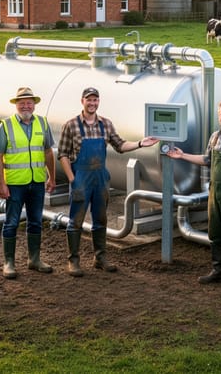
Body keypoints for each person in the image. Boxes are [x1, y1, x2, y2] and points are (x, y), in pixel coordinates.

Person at [58, 86, 158, 277]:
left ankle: (100, 258)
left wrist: (139, 143)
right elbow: (62, 154)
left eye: (95, 100)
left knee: (101, 219)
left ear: (98, 102)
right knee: (76, 220)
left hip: (100, 178)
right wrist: (72, 179)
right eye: (89, 99)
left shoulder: (106, 124)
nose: (92, 103)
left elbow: (120, 145)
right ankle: (73, 260)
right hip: (80, 177)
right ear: (82, 101)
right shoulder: (70, 125)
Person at [166, 100, 221, 293]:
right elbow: (207, 160)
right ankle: (218, 271)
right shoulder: (215, 137)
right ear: (219, 116)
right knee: (214, 233)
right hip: (215, 191)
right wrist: (182, 155)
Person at [0, 87, 56, 279]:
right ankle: (9, 263)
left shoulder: (43, 123)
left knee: (36, 221)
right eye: (22, 103)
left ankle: (34, 260)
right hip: (14, 183)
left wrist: (51, 177)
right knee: (11, 222)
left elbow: (47, 152)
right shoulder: (6, 125)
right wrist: (0, 183)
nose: (26, 106)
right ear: (16, 105)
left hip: (36, 181)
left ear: (34, 105)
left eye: (29, 102)